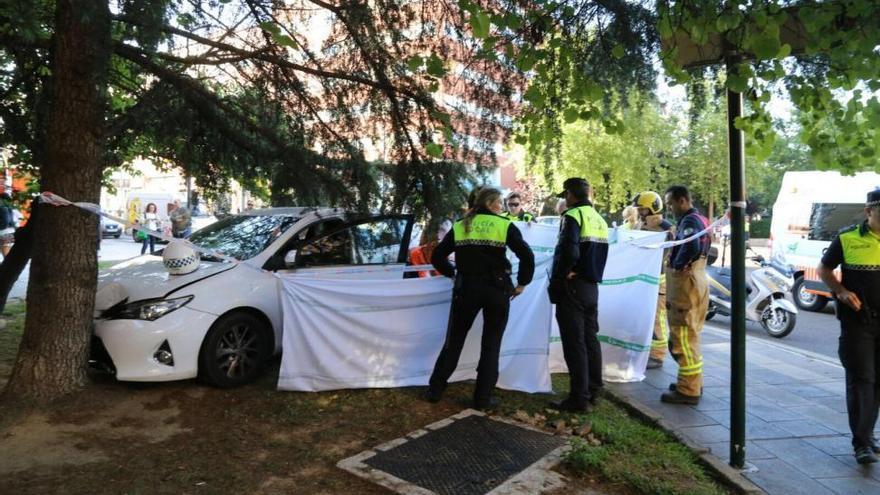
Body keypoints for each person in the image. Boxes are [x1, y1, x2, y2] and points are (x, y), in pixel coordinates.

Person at [425, 187, 535, 410]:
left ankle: (435, 391)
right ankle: (482, 399)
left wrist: (452, 273)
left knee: (453, 341)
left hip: (467, 289)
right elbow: (527, 255)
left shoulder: (461, 225)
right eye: (500, 202)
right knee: (491, 344)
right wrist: (522, 283)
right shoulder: (504, 225)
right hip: (497, 289)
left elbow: (437, 256)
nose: (502, 206)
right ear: (491, 203)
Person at [818, 188, 880, 465]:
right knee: (862, 379)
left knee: (876, 380)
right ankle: (861, 443)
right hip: (858, 322)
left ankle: (867, 434)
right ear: (869, 212)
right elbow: (824, 270)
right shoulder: (847, 238)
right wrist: (840, 292)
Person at [548, 178, 609, 413]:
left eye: (565, 195)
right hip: (591, 287)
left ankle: (578, 398)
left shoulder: (573, 216)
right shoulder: (599, 219)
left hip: (572, 287)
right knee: (590, 339)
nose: (565, 200)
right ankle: (594, 389)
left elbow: (568, 250)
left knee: (575, 344)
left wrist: (562, 277)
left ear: (571, 195)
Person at [662, 185, 711, 405]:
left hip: (687, 284)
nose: (669, 209)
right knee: (690, 334)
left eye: (670, 203)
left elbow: (690, 247)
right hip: (697, 280)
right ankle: (692, 381)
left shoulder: (690, 222)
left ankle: (688, 390)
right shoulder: (699, 218)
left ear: (682, 201)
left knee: (683, 336)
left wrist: (677, 265)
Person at [631, 191, 675, 370]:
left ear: (652, 208)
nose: (640, 213)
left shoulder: (666, 228)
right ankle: (644, 351)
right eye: (639, 210)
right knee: (643, 317)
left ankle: (657, 356)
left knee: (658, 320)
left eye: (642, 210)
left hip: (660, 281)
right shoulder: (640, 226)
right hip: (644, 279)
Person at [0, 193, 15, 258]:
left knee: (5, 253)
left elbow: (6, 221)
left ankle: (11, 267)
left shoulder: (3, 208)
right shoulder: (9, 207)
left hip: (4, 232)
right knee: (5, 252)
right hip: (9, 231)